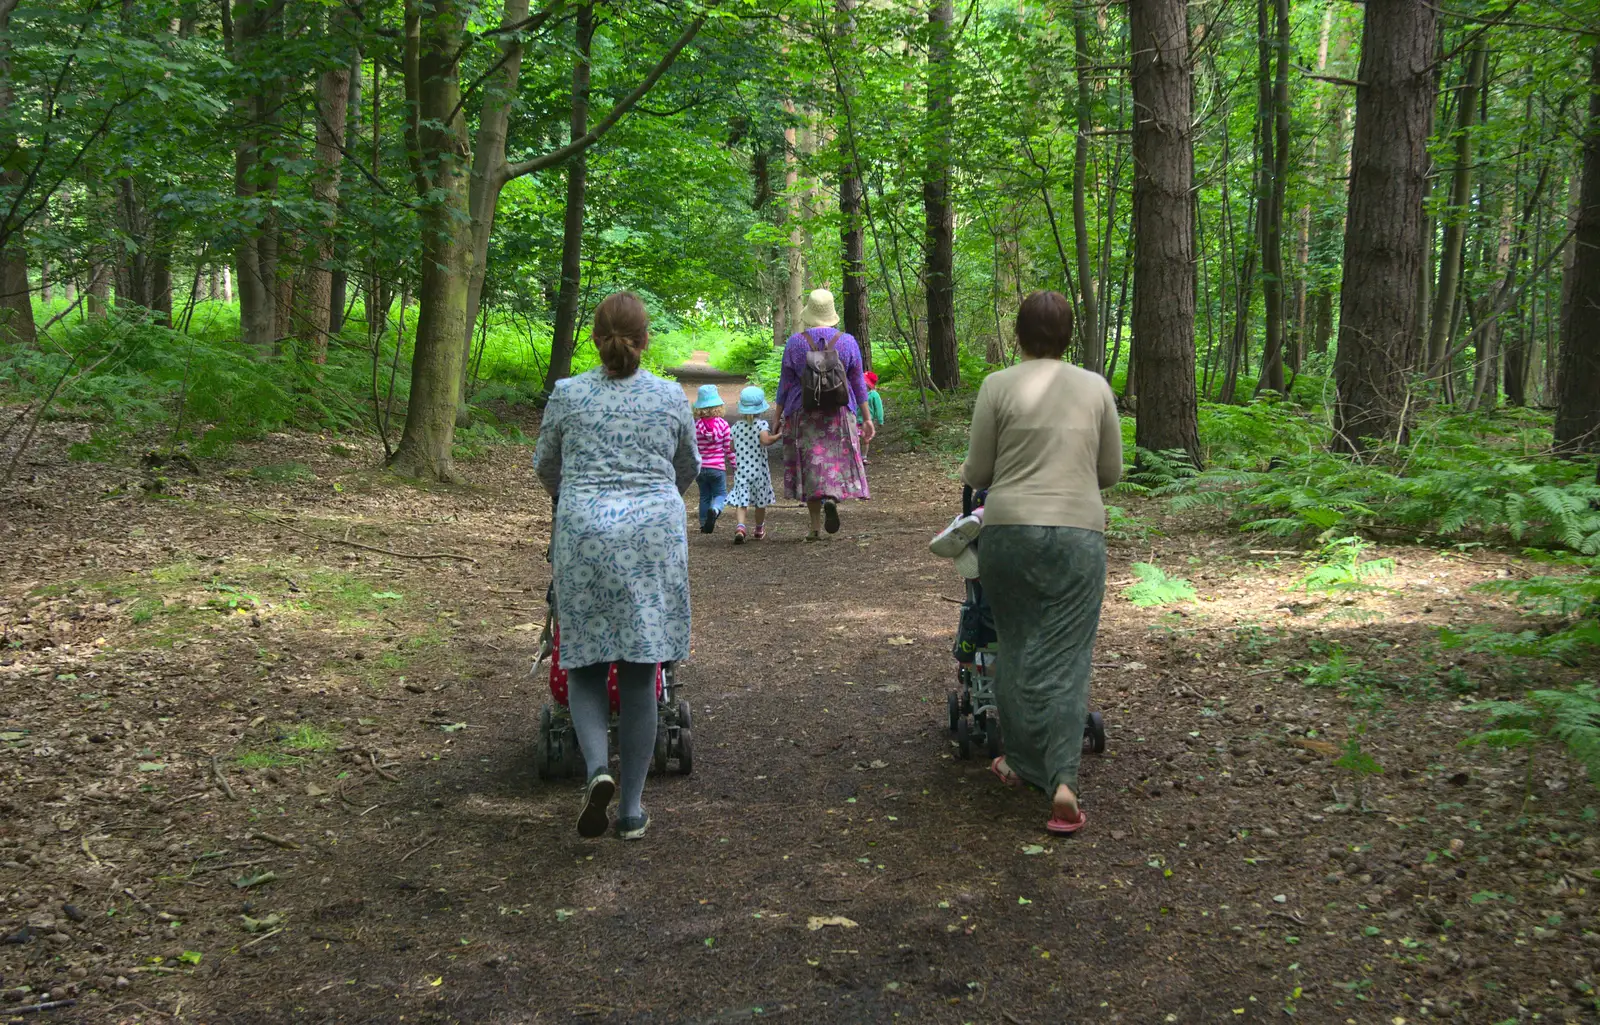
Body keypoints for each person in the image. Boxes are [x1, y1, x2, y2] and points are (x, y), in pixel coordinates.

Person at [533, 291, 699, 841]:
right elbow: (688, 465)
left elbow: (546, 466)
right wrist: (655, 500)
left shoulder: (567, 394)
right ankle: (630, 809)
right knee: (640, 669)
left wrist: (579, 500)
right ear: (645, 339)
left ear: (594, 339)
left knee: (582, 663)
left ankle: (596, 769)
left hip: (584, 533)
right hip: (652, 536)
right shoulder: (669, 396)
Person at [959, 290, 1122, 837]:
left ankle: (1024, 763)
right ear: (1070, 334)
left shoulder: (997, 386)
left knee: (1016, 643)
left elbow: (977, 469)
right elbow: (1110, 473)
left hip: (1010, 530)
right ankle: (1064, 782)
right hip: (1080, 533)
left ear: (1018, 334)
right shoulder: (1096, 387)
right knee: (1069, 657)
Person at [776, 288, 874, 541]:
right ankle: (831, 497)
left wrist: (777, 417)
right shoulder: (848, 341)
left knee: (810, 468)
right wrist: (867, 418)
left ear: (809, 312)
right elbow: (857, 383)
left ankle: (815, 526)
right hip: (839, 413)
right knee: (833, 464)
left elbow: (785, 383)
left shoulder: (795, 342)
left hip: (803, 413)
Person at [727, 385, 782, 544]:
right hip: (759, 471)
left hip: (742, 469)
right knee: (760, 502)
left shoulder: (736, 427)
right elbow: (765, 440)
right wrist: (778, 436)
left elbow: (730, 447)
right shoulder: (761, 425)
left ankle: (740, 526)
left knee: (741, 500)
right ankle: (759, 529)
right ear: (760, 408)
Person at [692, 384, 735, 533]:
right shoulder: (723, 425)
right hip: (717, 468)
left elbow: (692, 448)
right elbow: (728, 449)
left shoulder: (696, 426)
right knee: (721, 494)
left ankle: (704, 524)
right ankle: (715, 510)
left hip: (701, 468)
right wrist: (735, 465)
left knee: (704, 495)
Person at [857, 371, 885, 463]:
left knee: (865, 439)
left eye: (864, 381)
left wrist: (880, 420)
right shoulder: (857, 392)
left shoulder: (874, 395)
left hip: (867, 421)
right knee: (855, 439)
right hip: (855, 420)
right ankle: (855, 456)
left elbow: (879, 408)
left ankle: (864, 456)